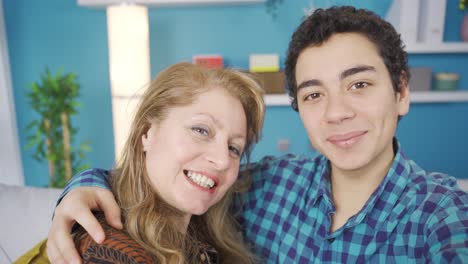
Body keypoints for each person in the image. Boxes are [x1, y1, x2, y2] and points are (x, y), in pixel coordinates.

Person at [47, 6, 468, 263]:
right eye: (314, 94)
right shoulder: (269, 185)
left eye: (358, 84)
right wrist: (80, 189)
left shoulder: (442, 215)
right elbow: (159, 182)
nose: (337, 112)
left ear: (402, 92)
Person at [24, 62, 265, 263]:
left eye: (234, 148)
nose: (222, 160)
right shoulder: (109, 248)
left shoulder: (204, 232)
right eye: (201, 130)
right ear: (146, 133)